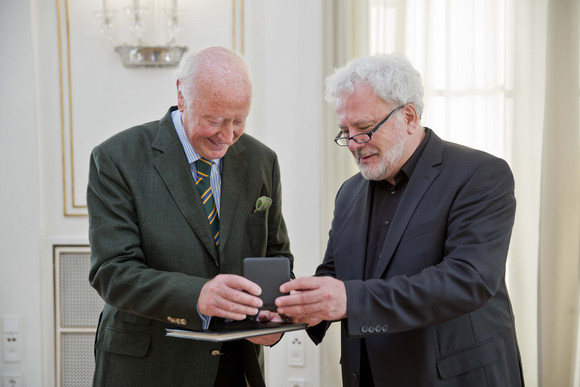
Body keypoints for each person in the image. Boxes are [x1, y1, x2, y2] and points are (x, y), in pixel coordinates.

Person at [276, 53, 524, 386]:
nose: (352, 144)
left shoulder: (479, 175)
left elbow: (468, 280)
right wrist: (296, 308)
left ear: (408, 116)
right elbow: (336, 274)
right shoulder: (349, 193)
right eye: (344, 131)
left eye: (363, 129)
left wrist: (350, 300)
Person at [87, 46, 293, 387]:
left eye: (239, 121)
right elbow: (112, 272)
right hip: (148, 367)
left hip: (235, 365)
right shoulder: (116, 158)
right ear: (182, 96)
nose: (227, 136)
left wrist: (273, 319)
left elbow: (276, 254)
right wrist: (197, 296)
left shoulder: (262, 160)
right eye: (214, 120)